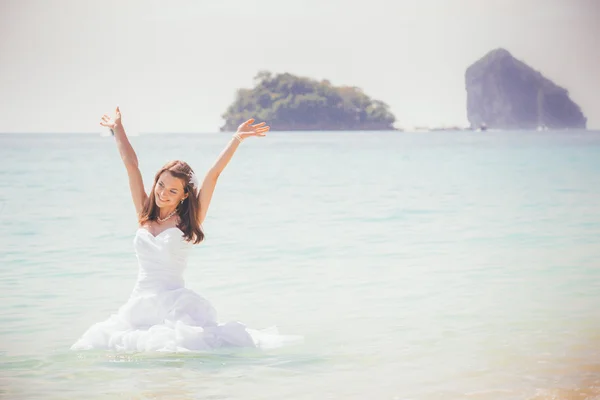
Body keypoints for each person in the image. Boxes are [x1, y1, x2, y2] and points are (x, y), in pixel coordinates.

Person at [70, 107, 301, 352]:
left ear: (184, 195)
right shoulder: (144, 212)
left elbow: (213, 175)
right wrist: (118, 128)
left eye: (172, 191)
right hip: (138, 305)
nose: (162, 194)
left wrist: (237, 139)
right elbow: (131, 165)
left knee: (175, 350)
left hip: (175, 306)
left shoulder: (188, 221)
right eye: (161, 185)